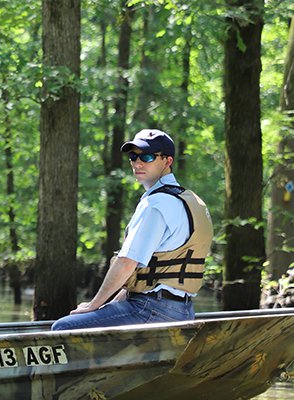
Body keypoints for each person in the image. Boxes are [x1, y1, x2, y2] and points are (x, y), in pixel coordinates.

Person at [51, 129, 212, 331]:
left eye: (147, 156)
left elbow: (127, 263)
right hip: (183, 310)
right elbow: (145, 278)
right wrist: (110, 306)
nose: (138, 163)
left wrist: (94, 305)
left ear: (167, 161)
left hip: (151, 310)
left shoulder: (155, 204)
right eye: (133, 156)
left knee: (62, 328)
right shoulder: (190, 201)